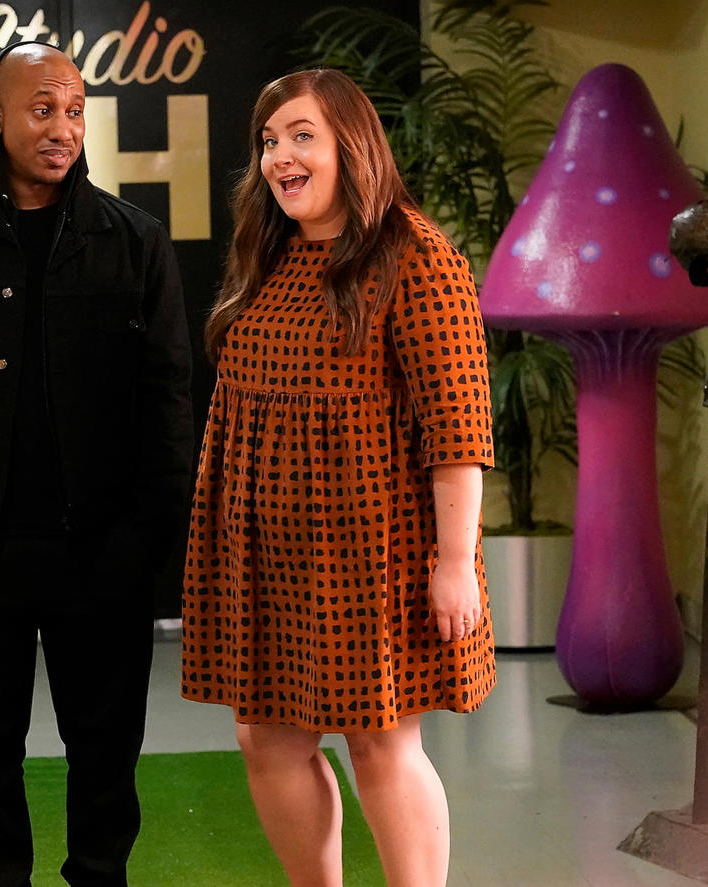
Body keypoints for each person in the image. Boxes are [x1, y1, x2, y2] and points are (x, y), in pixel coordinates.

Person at [0, 41, 194, 887]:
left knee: (106, 754)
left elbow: (168, 401)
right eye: (41, 108)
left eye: (74, 109)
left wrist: (149, 539)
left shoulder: (134, 243)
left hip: (101, 553)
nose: (62, 126)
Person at [181, 67, 496, 887]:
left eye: (301, 136)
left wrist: (455, 560)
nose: (279, 156)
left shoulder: (416, 257)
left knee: (380, 740)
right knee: (267, 736)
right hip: (268, 552)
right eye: (269, 140)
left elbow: (457, 423)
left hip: (371, 548)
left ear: (351, 145)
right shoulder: (271, 253)